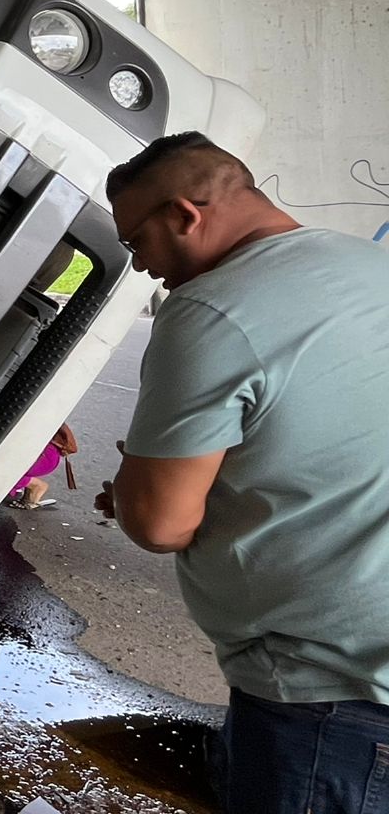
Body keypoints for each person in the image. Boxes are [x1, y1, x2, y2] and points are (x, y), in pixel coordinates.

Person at [94, 131, 389, 813]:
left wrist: (141, 493)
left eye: (136, 242)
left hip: (330, 697)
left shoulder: (209, 309)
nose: (139, 267)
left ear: (184, 216)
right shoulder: (366, 264)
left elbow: (161, 524)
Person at [7, 422, 78, 509]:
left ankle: (35, 485)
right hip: (44, 455)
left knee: (3, 472)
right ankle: (28, 486)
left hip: (44, 457)